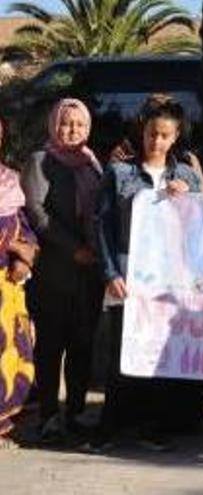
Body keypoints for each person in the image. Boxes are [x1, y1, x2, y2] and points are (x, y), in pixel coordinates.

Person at [93, 97, 203, 451]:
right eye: (150, 134)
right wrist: (110, 271)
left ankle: (152, 426)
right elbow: (102, 226)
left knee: (158, 354)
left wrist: (190, 198)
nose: (155, 141)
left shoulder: (186, 175)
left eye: (163, 135)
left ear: (174, 138)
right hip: (128, 275)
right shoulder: (119, 173)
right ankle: (109, 426)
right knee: (120, 355)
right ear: (141, 133)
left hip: (168, 281)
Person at [21, 99, 104, 443]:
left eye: (79, 125)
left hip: (90, 273)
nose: (72, 131)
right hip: (55, 270)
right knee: (52, 345)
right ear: (54, 124)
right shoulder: (41, 161)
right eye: (66, 124)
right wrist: (74, 249)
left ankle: (77, 411)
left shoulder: (92, 163)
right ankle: (49, 416)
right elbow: (37, 213)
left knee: (82, 343)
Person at [0, 114, 39, 450]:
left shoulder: (9, 182)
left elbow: (23, 226)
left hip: (8, 290)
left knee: (11, 352)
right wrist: (12, 244)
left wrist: (25, 254)